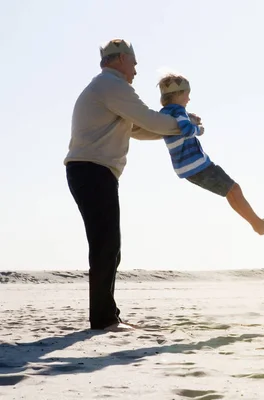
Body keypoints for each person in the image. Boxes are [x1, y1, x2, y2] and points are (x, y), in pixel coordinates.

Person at [64, 39, 202, 331]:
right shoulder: (111, 86)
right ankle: (104, 320)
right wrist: (187, 125)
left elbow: (140, 128)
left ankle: (106, 316)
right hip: (92, 170)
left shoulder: (109, 88)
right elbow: (149, 119)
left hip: (92, 171)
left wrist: (180, 128)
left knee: (108, 245)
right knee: (106, 245)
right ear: (121, 59)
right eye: (134, 62)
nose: (137, 69)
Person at [157, 74, 264, 235]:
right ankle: (258, 225)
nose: (188, 99)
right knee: (234, 189)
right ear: (177, 95)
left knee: (230, 191)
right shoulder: (179, 111)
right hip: (197, 166)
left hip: (186, 169)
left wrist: (190, 117)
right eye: (186, 94)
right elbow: (187, 130)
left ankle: (256, 222)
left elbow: (178, 122)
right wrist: (198, 130)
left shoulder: (166, 112)